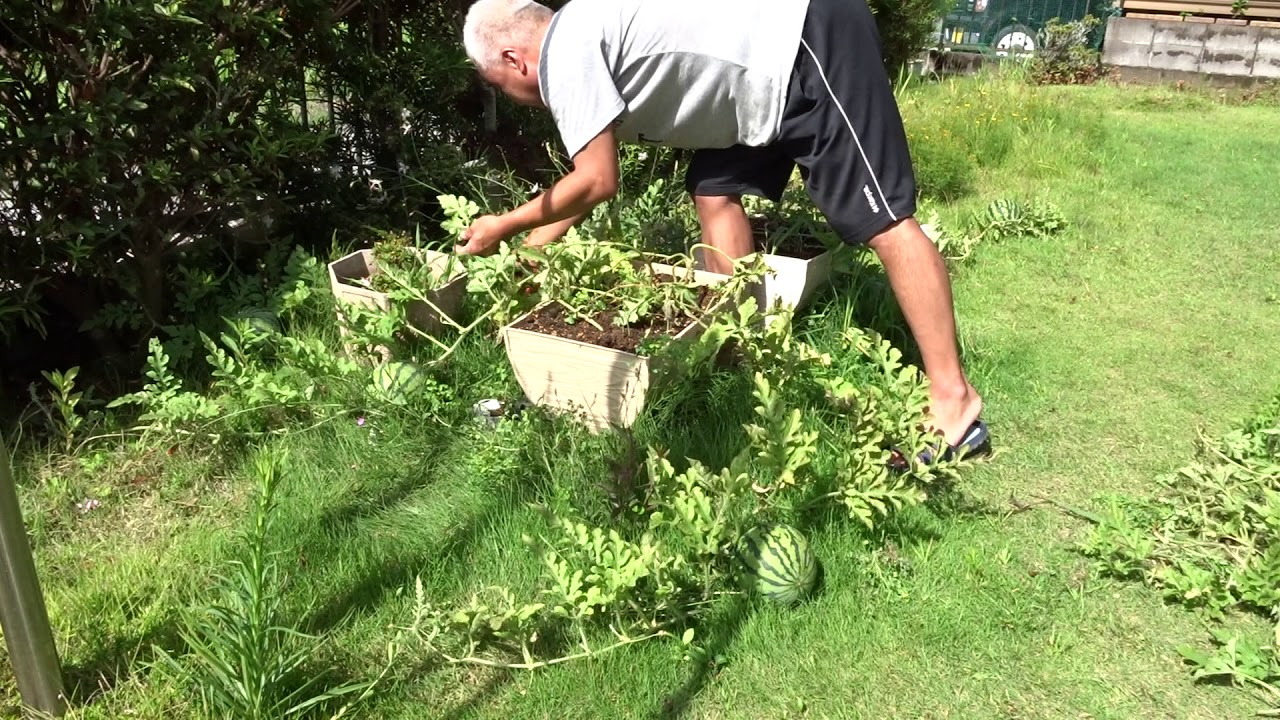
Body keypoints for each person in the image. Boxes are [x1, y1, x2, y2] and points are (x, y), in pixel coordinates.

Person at [455, 0, 988, 464]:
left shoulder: (566, 55)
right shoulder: (582, 34)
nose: (517, 97)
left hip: (806, 35)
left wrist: (501, 226)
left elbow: (596, 182)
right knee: (714, 193)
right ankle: (740, 349)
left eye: (500, 86)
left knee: (882, 220)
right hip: (758, 77)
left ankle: (954, 402)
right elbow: (587, 183)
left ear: (512, 59)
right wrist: (525, 253)